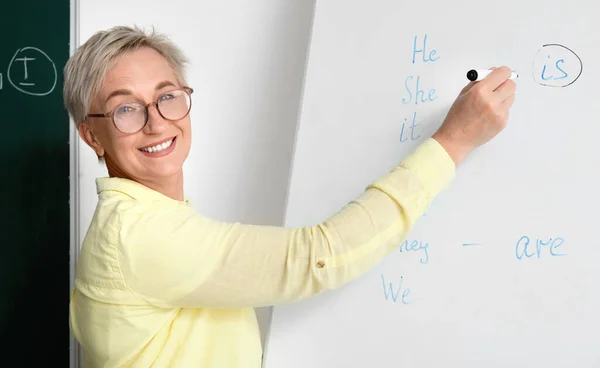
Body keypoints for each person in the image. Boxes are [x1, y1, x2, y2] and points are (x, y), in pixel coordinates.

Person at [67, 26, 516, 368]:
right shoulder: (139, 234)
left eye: (167, 96)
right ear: (93, 136)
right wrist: (455, 141)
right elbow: (320, 255)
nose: (157, 121)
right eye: (127, 108)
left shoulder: (147, 220)